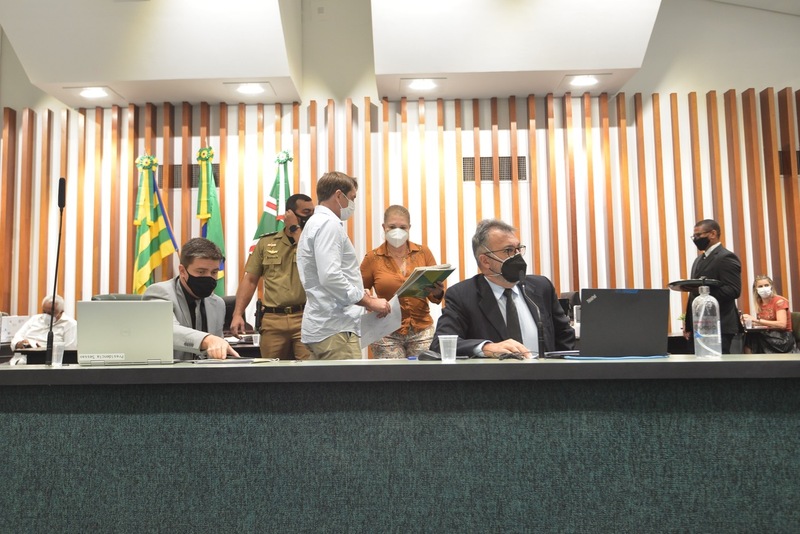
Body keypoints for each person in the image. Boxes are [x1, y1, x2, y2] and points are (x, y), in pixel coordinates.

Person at [431, 219, 574, 358]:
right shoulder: (462, 295)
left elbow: (564, 335)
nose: (517, 256)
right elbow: (440, 343)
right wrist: (486, 348)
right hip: (495, 373)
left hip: (544, 372)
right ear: (485, 261)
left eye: (518, 249)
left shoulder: (541, 287)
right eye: (508, 250)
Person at [296, 171, 392, 360]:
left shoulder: (315, 222)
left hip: (324, 326)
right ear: (339, 195)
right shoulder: (329, 225)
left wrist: (359, 292)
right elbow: (330, 276)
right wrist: (368, 301)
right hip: (336, 329)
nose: (353, 204)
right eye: (352, 198)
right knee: (349, 381)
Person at [231, 193, 315, 360]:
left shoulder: (313, 243)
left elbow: (313, 260)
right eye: (306, 212)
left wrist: (296, 230)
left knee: (308, 371)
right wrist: (237, 314)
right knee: (270, 370)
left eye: (313, 212)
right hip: (273, 320)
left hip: (305, 317)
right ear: (289, 214)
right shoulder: (266, 243)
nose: (311, 217)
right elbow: (250, 280)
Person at [360, 205, 444, 358]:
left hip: (421, 329)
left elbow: (435, 297)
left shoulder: (423, 252)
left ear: (409, 228)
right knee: (394, 372)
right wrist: (370, 300)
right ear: (384, 227)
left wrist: (438, 292)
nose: (397, 231)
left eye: (403, 227)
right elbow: (358, 292)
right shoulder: (372, 258)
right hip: (386, 330)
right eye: (392, 227)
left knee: (426, 371)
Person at [144, 237, 239, 360]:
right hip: (168, 370)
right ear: (182, 271)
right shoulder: (160, 292)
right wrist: (207, 340)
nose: (209, 277)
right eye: (201, 272)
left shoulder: (218, 303)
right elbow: (166, 330)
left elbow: (216, 348)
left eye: (214, 272)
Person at [684, 219, 742, 354]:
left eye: (699, 235)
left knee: (716, 365)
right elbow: (693, 295)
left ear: (713, 234)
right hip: (699, 326)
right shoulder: (698, 260)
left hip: (719, 325)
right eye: (694, 236)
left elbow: (733, 290)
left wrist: (702, 291)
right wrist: (689, 325)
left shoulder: (726, 257)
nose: (696, 239)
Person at [742, 275, 797, 354]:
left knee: (753, 338)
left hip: (783, 338)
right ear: (756, 289)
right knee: (749, 335)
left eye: (766, 285)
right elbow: (766, 323)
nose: (764, 288)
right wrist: (749, 321)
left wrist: (756, 320)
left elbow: (782, 324)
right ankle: (750, 361)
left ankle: (750, 360)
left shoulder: (779, 301)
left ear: (771, 286)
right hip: (769, 334)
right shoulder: (760, 303)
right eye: (760, 286)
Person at [11, 295, 77, 351]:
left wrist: (41, 350)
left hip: (47, 359)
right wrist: (19, 343)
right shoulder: (34, 319)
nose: (46, 315)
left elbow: (69, 351)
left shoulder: (70, 324)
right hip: (22, 358)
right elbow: (16, 338)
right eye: (44, 312)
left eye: (50, 313)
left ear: (61, 312)